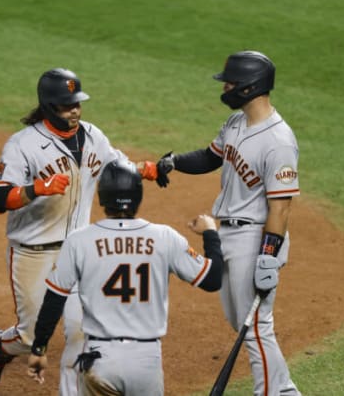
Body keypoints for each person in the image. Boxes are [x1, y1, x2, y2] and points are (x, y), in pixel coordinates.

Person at [0, 68, 148, 396]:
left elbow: (118, 165)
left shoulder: (94, 136)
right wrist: (37, 188)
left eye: (77, 104)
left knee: (83, 331)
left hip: (79, 251)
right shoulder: (23, 144)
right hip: (33, 252)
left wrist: (148, 169)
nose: (75, 110)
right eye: (68, 105)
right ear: (49, 105)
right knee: (30, 338)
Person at [154, 50, 301, 396]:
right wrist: (173, 162)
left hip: (256, 237)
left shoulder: (278, 142)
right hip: (228, 231)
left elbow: (280, 207)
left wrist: (268, 256)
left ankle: (271, 392)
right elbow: (209, 157)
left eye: (231, 83)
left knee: (256, 326)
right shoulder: (237, 123)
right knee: (243, 323)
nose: (226, 88)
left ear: (250, 87)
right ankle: (285, 391)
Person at [26, 159, 223, 395]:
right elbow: (212, 280)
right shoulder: (165, 237)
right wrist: (211, 233)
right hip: (146, 363)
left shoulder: (79, 240)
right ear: (138, 195)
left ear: (102, 197)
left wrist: (39, 348)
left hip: (100, 360)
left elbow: (54, 299)